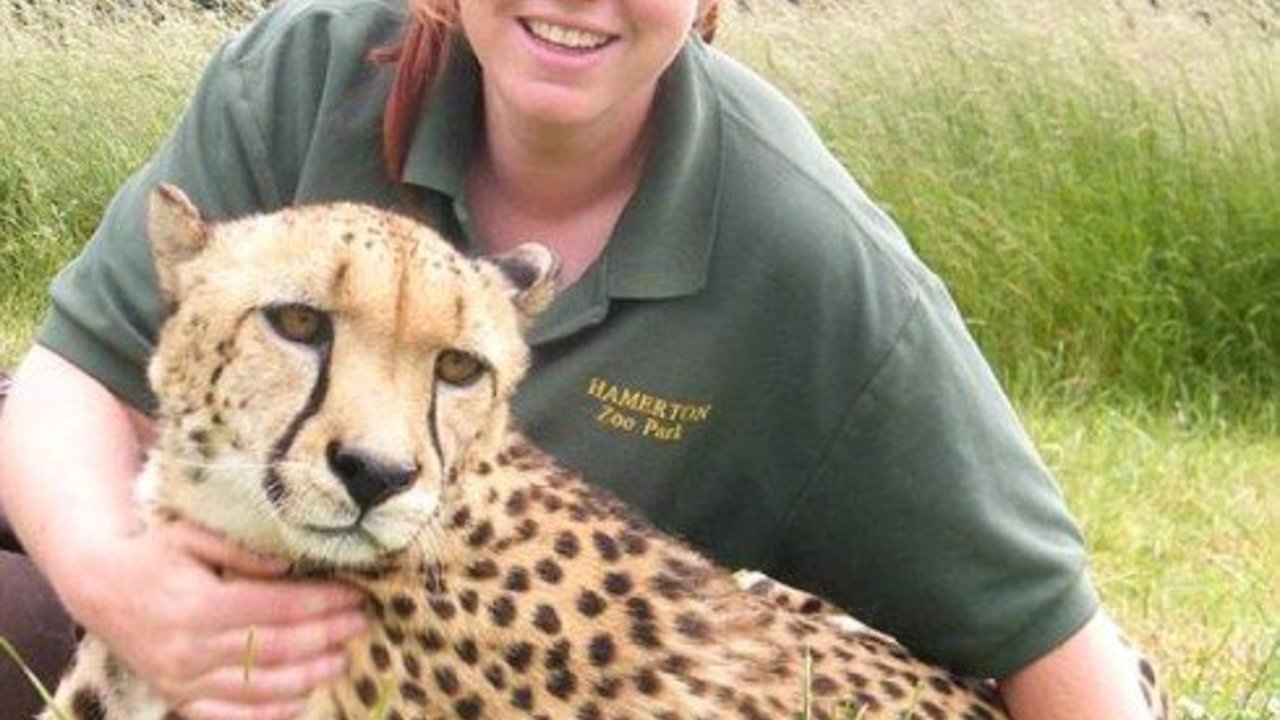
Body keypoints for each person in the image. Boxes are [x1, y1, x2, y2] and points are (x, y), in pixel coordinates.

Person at [0, 1, 1154, 718]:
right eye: (307, 326)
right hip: (206, 552)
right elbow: (72, 381)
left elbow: (1048, 631)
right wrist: (118, 585)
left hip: (524, 649)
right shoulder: (306, 69)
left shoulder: (811, 252)